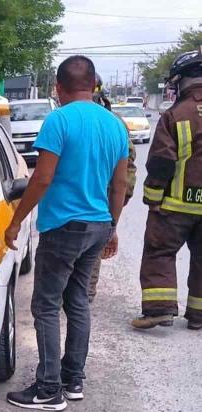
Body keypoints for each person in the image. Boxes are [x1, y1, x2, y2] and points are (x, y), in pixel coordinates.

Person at [4, 55, 129, 411]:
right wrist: (113, 228)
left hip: (63, 227)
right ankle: (73, 380)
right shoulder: (115, 125)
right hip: (97, 226)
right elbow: (119, 185)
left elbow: (42, 178)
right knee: (77, 302)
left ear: (58, 88)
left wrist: (16, 221)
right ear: (93, 85)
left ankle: (48, 389)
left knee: (45, 305)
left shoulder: (58, 120)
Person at [131, 48, 202, 331]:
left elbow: (161, 162)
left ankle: (159, 310)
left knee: (159, 252)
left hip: (174, 206)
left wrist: (153, 199)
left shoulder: (175, 115)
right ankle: (198, 315)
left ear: (181, 80)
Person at [89, 74, 137, 302]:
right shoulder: (115, 122)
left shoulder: (62, 118)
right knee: (92, 250)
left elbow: (128, 168)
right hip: (102, 202)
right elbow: (129, 169)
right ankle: (83, 296)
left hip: (96, 198)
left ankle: (81, 295)